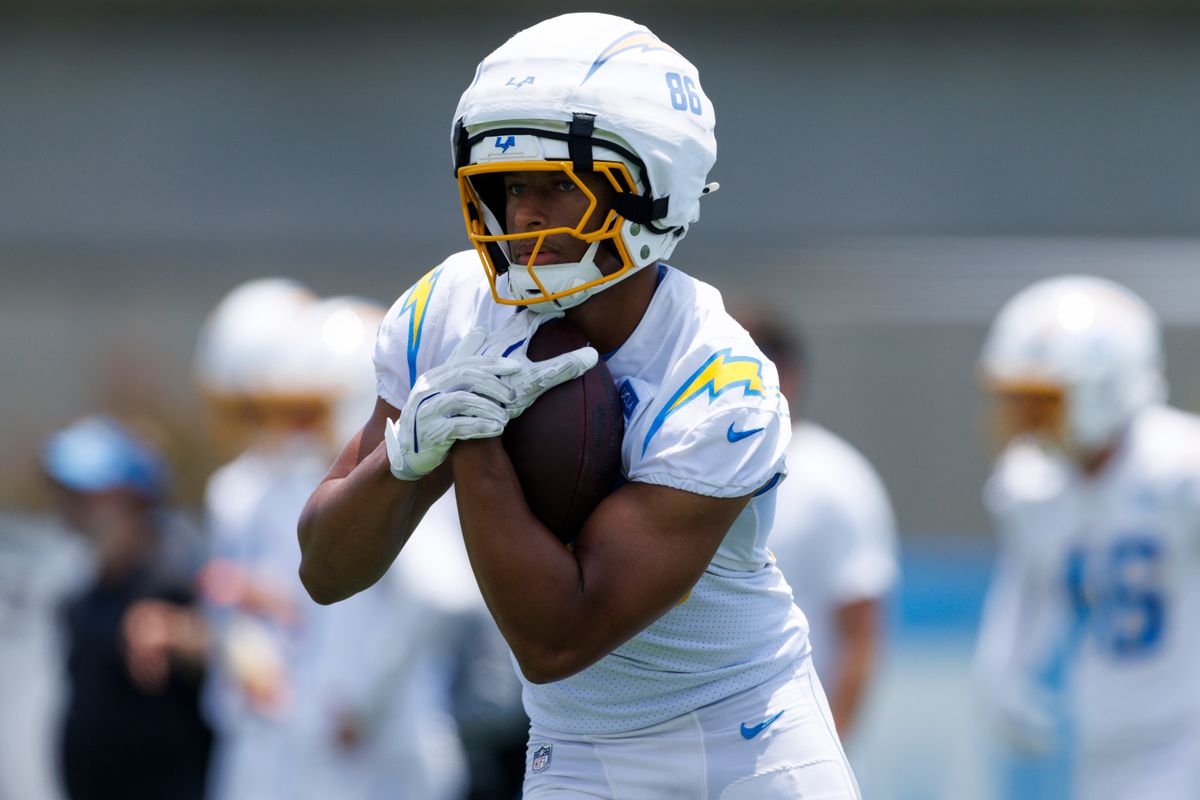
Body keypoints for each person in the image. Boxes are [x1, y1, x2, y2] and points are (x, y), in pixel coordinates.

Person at [298, 13, 860, 798]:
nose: (524, 216)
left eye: (557, 184)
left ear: (652, 182)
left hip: (747, 745)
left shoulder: (715, 374)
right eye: (508, 186)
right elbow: (324, 567)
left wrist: (475, 446)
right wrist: (402, 457)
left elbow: (558, 638)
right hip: (578, 749)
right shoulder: (454, 307)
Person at [193, 280, 469, 800]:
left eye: (307, 410)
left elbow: (441, 591)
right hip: (314, 754)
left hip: (380, 765)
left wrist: (364, 704)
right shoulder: (275, 486)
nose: (289, 428)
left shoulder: (396, 491)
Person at [973, 275, 1200, 800]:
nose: (1027, 421)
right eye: (1021, 402)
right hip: (1105, 732)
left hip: (1186, 730)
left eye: (1043, 402)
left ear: (1104, 385)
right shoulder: (1031, 488)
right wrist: (1003, 674)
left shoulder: (1180, 469)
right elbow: (1028, 586)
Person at [739, 312, 899, 739]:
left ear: (785, 375)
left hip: (787, 740)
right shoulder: (681, 467)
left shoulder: (836, 480)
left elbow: (861, 633)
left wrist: (829, 745)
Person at [42, 415, 213, 800]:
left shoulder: (178, 579)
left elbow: (236, 652)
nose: (74, 510)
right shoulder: (81, 599)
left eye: (89, 497)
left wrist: (177, 632)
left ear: (135, 501)